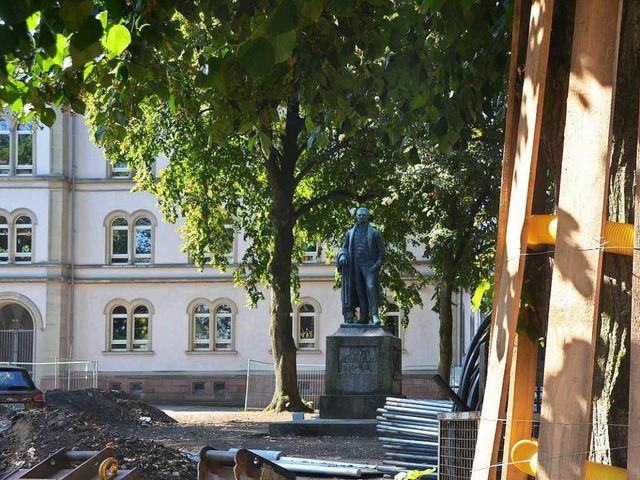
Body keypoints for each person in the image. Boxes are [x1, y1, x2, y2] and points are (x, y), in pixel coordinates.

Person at [338, 207, 385, 324]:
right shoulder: (350, 233)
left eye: (364, 215)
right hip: (355, 266)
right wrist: (342, 256)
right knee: (359, 290)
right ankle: (364, 316)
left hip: (369, 266)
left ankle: (374, 315)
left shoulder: (375, 233)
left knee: (370, 287)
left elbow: (381, 252)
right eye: (359, 215)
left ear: (368, 216)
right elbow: (344, 247)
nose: (361, 217)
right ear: (356, 216)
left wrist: (377, 264)